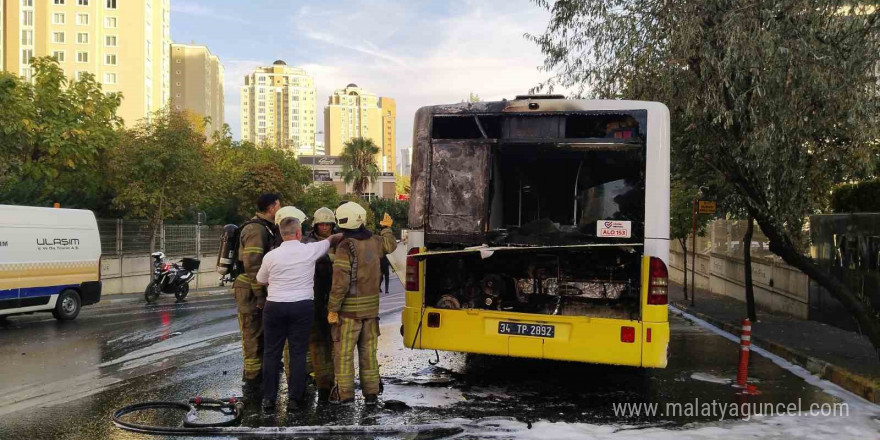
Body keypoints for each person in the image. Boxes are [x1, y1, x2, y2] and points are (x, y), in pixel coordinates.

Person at [256, 217, 342, 411]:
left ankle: (268, 400)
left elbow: (261, 280)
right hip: (302, 307)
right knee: (298, 352)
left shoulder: (270, 256)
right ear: (298, 233)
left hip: (274, 307)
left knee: (271, 353)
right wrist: (349, 233)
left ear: (281, 233)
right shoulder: (309, 250)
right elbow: (331, 240)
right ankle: (295, 399)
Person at [327, 202, 397, 405]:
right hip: (371, 313)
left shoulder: (345, 246)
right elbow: (390, 244)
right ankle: (371, 395)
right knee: (369, 355)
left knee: (344, 355)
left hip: (348, 315)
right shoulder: (375, 241)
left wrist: (333, 309)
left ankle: (346, 395)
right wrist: (386, 228)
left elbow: (340, 283)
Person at [233, 193, 281, 394]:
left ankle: (261, 375)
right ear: (271, 208)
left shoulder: (267, 227)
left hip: (259, 290)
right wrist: (261, 297)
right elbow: (252, 266)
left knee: (264, 336)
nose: (280, 208)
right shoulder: (255, 230)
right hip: (251, 292)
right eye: (279, 205)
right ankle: (252, 382)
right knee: (252, 336)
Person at [301, 207, 338, 402]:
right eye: (321, 224)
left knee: (333, 343)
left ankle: (329, 382)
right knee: (315, 343)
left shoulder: (340, 240)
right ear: (315, 225)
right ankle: (318, 383)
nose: (324, 227)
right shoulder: (307, 243)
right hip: (314, 299)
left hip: (334, 299)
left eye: (328, 224)